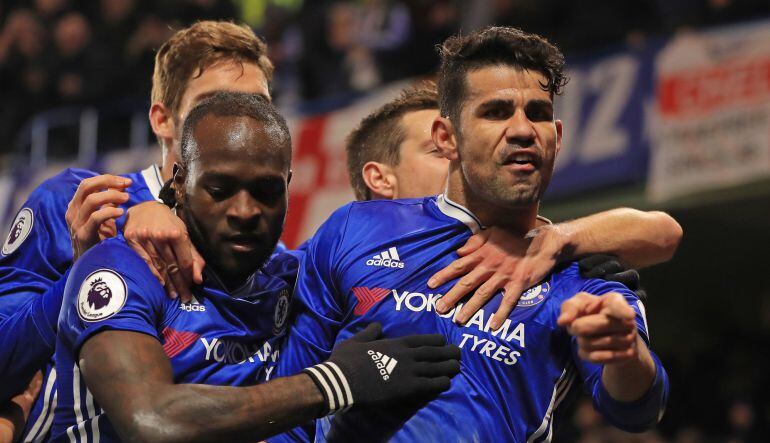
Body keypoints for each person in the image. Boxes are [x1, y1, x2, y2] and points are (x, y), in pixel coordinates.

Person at [266, 26, 669, 441]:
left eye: (538, 113)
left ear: (557, 138)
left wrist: (625, 354)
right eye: (495, 112)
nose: (522, 129)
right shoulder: (356, 227)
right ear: (447, 139)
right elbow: (294, 399)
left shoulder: (583, 278)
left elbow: (639, 407)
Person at [51, 91, 461, 443]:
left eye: (265, 191)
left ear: (287, 185)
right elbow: (152, 421)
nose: (244, 211)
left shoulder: (291, 277)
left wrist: (524, 244)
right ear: (179, 184)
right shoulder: (125, 269)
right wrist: (337, 382)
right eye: (220, 190)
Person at [0, 20, 274, 442]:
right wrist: (88, 270)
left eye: (256, 107)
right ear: (163, 119)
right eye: (215, 105)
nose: (239, 126)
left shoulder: (267, 248)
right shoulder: (79, 204)